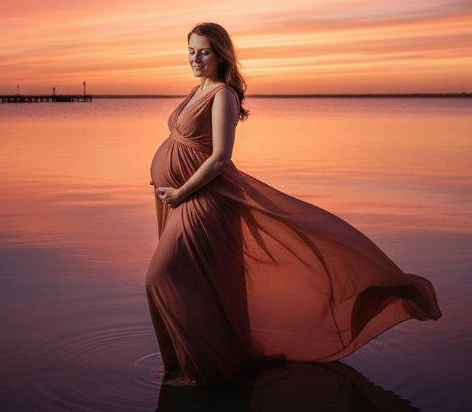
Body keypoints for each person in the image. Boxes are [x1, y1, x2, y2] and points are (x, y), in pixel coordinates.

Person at [146, 22, 441, 388]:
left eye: (203, 51)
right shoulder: (197, 89)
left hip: (201, 200)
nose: (195, 58)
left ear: (220, 54)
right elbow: (186, 143)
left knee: (158, 278)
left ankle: (207, 370)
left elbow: (220, 157)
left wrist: (180, 190)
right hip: (180, 198)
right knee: (195, 284)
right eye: (190, 51)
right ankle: (189, 367)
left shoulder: (222, 95)